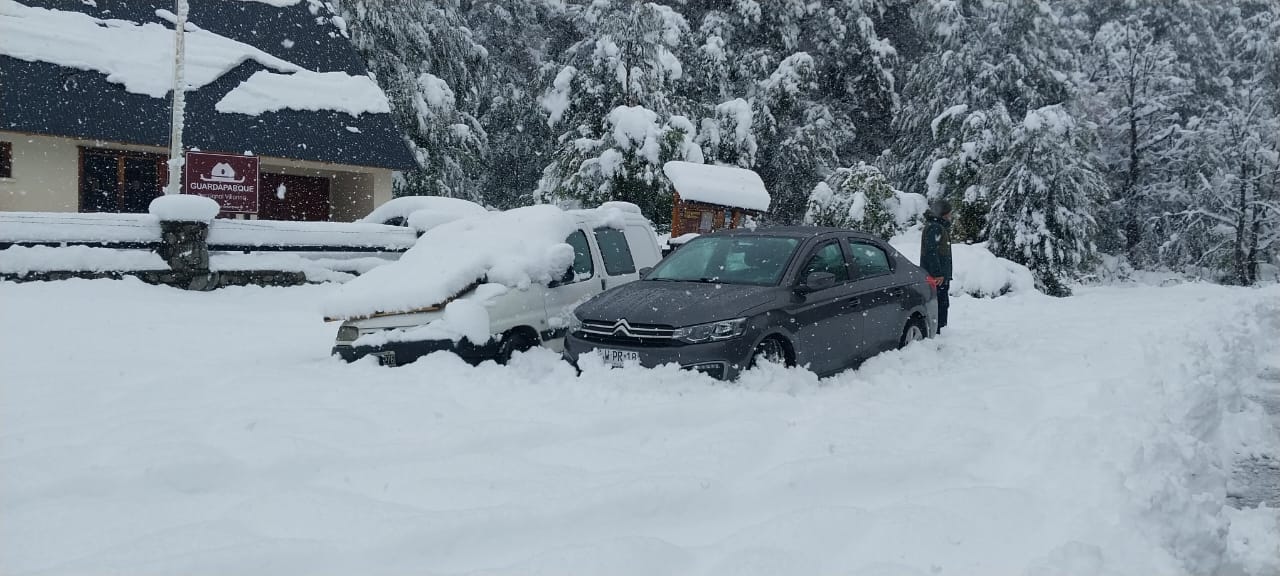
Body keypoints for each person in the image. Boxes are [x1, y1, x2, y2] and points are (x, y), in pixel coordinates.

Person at [920, 199, 953, 333]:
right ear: (944, 214)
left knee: (941, 304)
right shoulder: (935, 227)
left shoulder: (937, 226)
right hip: (936, 277)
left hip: (938, 276)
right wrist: (937, 273)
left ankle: (939, 330)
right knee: (940, 305)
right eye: (950, 213)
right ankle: (938, 332)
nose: (951, 216)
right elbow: (931, 251)